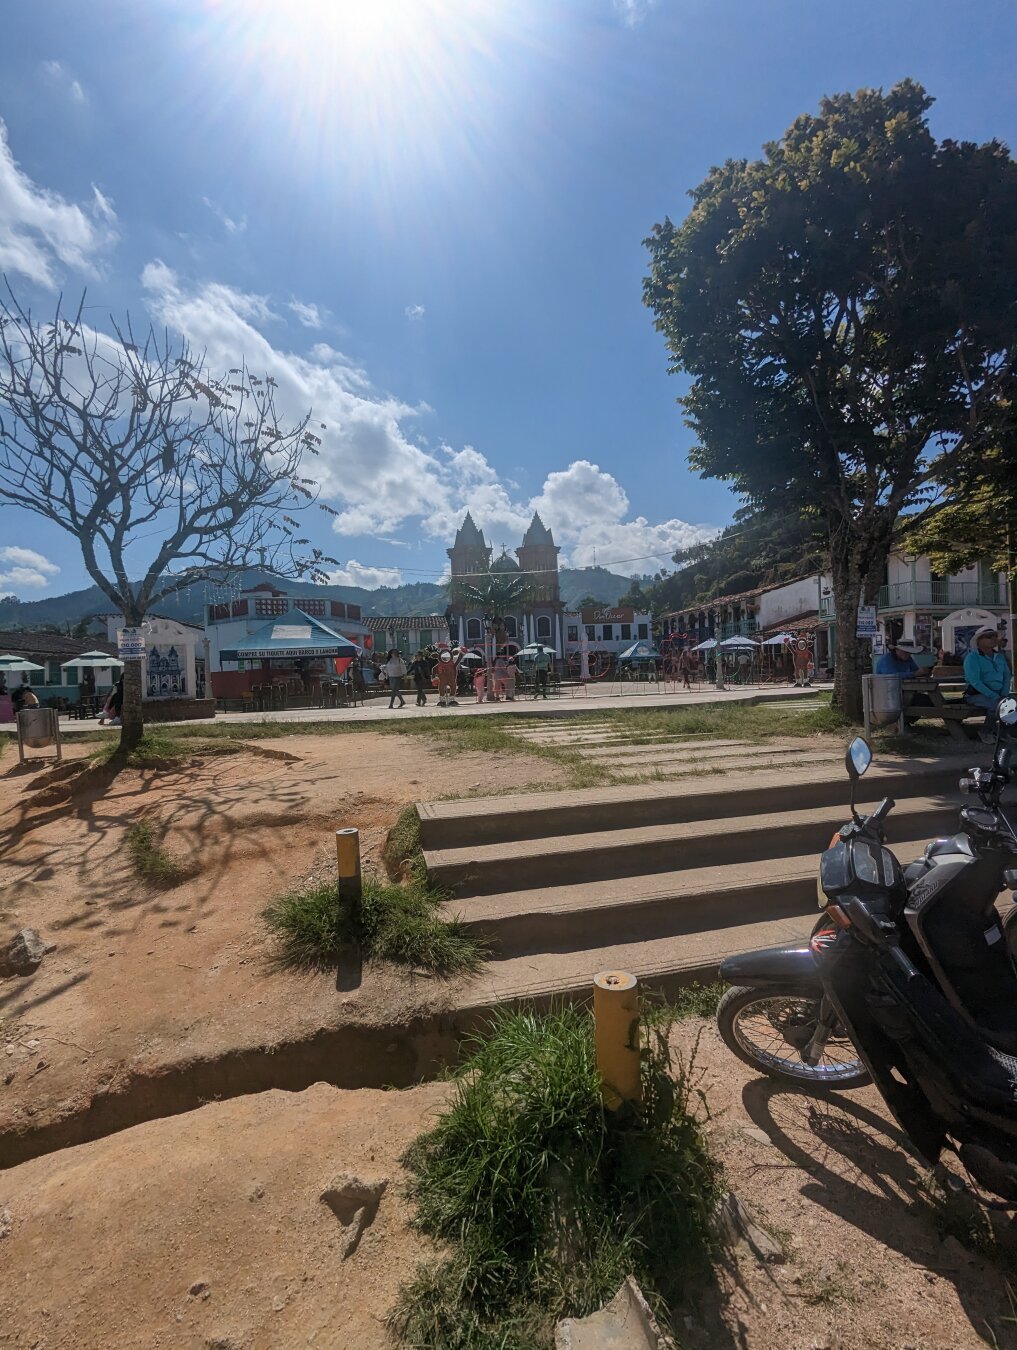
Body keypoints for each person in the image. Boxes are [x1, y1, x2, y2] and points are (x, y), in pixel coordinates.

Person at [963, 626, 1012, 740]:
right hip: (976, 695)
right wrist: (995, 696)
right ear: (979, 640)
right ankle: (985, 731)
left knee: (1011, 704)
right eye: (989, 636)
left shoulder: (999, 656)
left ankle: (1002, 733)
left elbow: (1007, 675)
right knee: (996, 705)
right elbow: (975, 682)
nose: (993, 639)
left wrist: (1004, 694)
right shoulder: (972, 658)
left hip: (999, 693)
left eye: (995, 636)